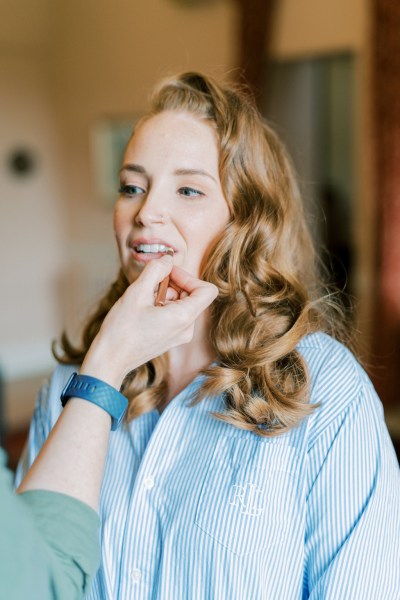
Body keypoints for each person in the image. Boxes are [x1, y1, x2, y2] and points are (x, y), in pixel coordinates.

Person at [16, 72, 400, 599]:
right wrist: (102, 365)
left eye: (189, 189)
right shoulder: (68, 391)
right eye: (132, 186)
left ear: (246, 220)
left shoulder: (328, 394)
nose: (146, 212)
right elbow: (28, 577)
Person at [2, 256, 216, 600]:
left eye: (190, 196)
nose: (146, 213)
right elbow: (40, 571)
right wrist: (106, 363)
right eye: (130, 196)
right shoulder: (61, 385)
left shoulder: (326, 384)